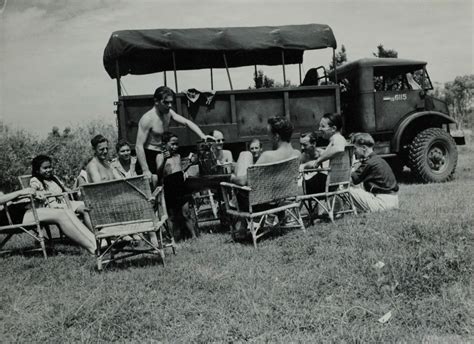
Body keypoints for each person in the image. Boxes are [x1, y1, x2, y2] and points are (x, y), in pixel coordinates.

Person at [135, 86, 215, 182]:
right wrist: (145, 170)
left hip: (162, 154)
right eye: (166, 102)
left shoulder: (168, 113)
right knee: (152, 188)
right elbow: (138, 146)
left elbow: (186, 122)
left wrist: (202, 135)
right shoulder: (147, 119)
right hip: (149, 157)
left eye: (171, 102)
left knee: (167, 184)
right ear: (156, 101)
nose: (169, 105)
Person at [0, 188, 97, 254]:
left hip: (11, 210)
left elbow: (7, 199)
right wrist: (21, 192)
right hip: (6, 217)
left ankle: (96, 242)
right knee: (60, 215)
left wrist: (31, 193)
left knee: (66, 211)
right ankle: (92, 249)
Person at [231, 116, 300, 186]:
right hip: (287, 194)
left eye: (269, 134)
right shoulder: (297, 154)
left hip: (259, 196)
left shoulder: (267, 156)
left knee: (245, 154)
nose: (268, 138)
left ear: (276, 136)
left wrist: (232, 178)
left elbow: (243, 181)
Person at [29, 155, 93, 231]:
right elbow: (32, 191)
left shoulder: (54, 178)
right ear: (37, 170)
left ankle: (96, 231)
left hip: (64, 203)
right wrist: (43, 193)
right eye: (45, 168)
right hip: (52, 207)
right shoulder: (35, 180)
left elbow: (66, 189)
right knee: (85, 210)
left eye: (49, 167)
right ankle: (95, 235)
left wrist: (79, 189)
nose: (48, 170)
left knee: (90, 206)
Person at [159, 132, 197, 240]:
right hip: (169, 186)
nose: (175, 147)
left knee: (186, 213)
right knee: (171, 216)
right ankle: (172, 238)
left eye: (177, 144)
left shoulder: (178, 156)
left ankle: (193, 236)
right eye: (172, 144)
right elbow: (159, 172)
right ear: (164, 144)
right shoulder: (160, 156)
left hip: (181, 186)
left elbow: (179, 171)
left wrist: (189, 164)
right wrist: (164, 160)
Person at [349, 133, 399, 212]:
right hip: (393, 201)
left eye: (355, 148)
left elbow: (350, 181)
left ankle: (333, 212)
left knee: (345, 189)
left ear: (364, 148)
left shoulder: (369, 162)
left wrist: (350, 164)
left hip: (382, 202)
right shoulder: (377, 159)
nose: (354, 152)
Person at [301, 113, 346, 194]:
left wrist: (319, 161)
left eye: (323, 126)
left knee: (299, 184)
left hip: (330, 184)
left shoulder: (338, 138)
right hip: (334, 181)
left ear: (333, 128)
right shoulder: (335, 140)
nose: (319, 129)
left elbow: (339, 148)